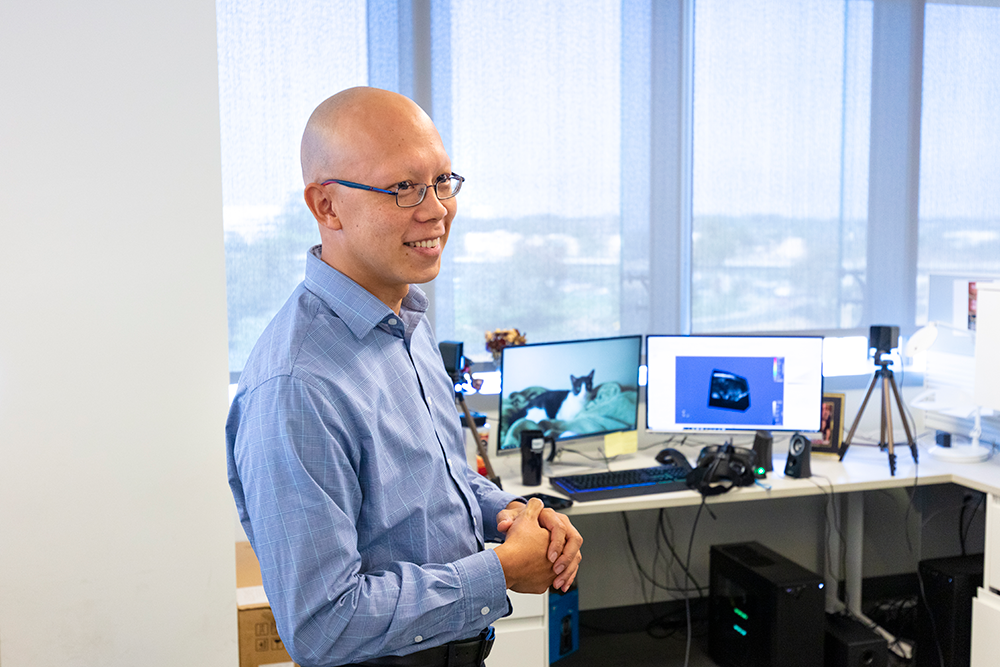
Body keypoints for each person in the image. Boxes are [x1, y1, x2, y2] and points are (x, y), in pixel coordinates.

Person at [226, 86, 582, 667]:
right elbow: (323, 626)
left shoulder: (406, 321)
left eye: (444, 181)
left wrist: (514, 513)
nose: (437, 208)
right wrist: (499, 570)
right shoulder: (298, 386)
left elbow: (435, 485)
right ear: (326, 207)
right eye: (403, 188)